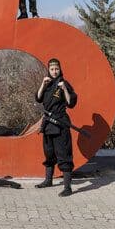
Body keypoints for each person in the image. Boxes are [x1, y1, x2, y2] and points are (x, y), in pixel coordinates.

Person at [35, 58, 78, 197]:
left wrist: (64, 89)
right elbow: (38, 98)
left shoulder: (64, 83)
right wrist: (42, 84)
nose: (54, 71)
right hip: (48, 123)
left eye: (57, 69)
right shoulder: (46, 83)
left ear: (60, 69)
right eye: (52, 69)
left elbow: (71, 103)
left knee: (63, 153)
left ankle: (67, 187)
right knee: (49, 152)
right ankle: (48, 180)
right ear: (49, 70)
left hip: (60, 122)